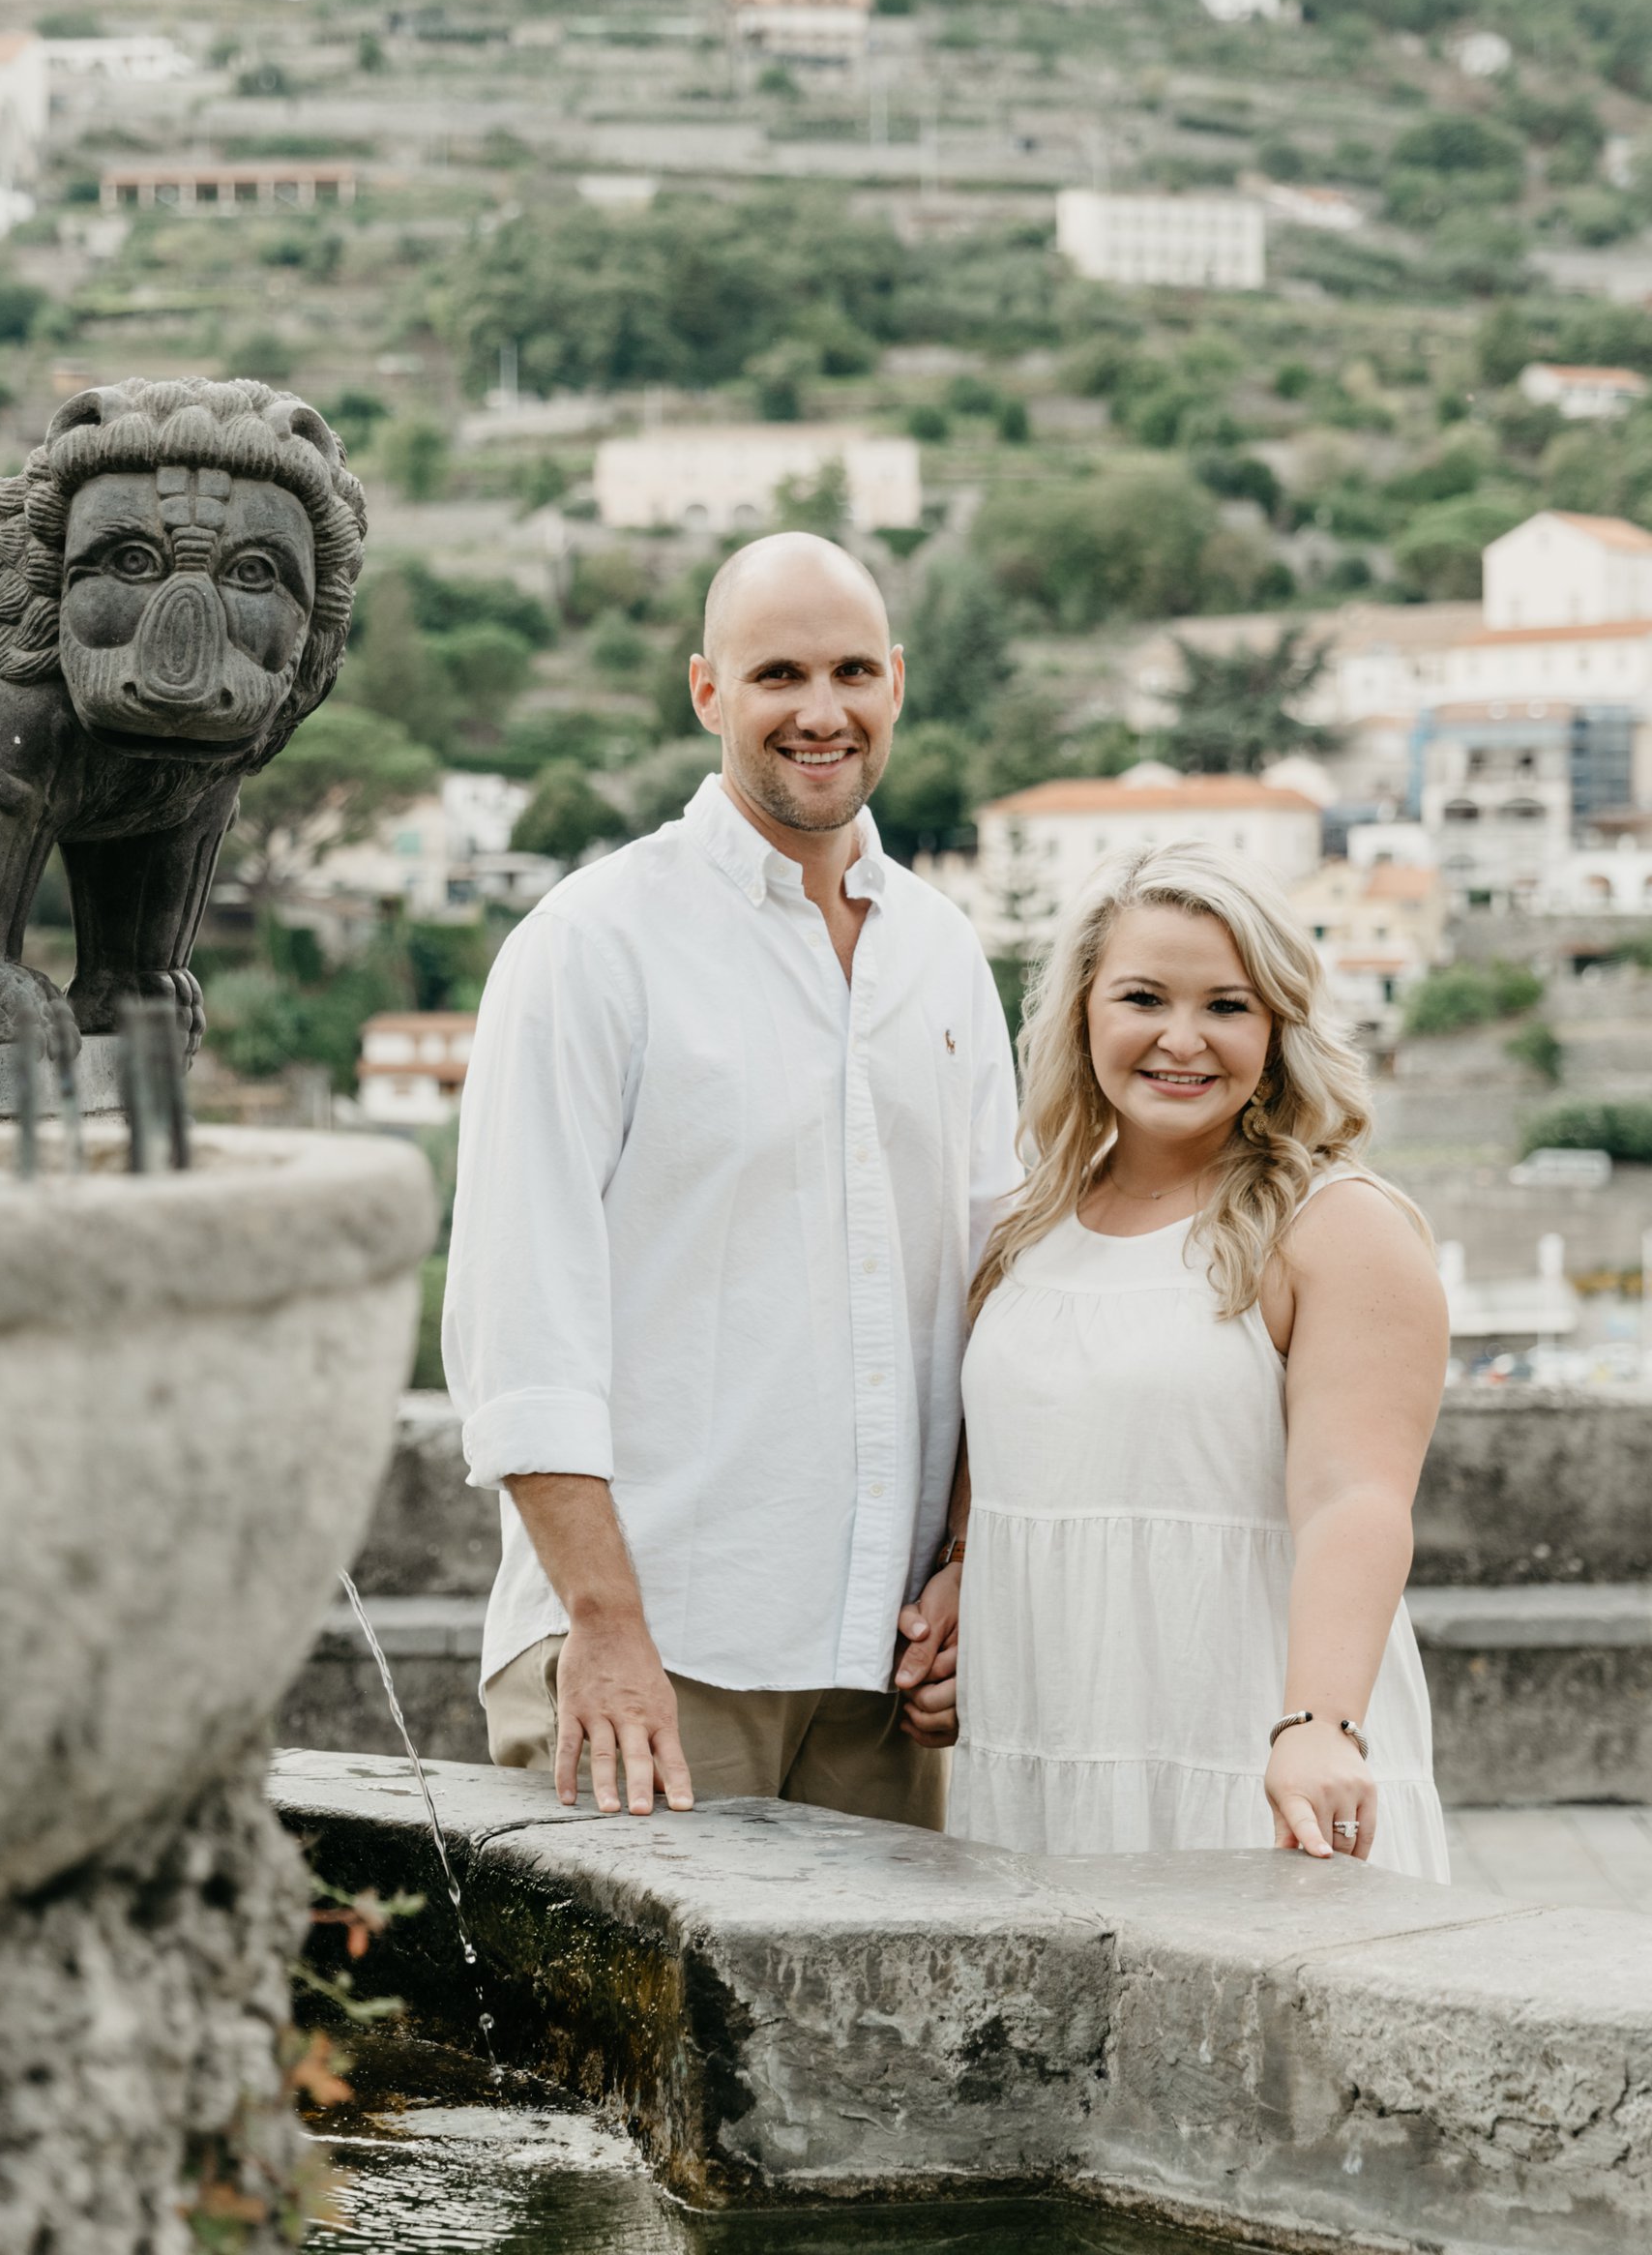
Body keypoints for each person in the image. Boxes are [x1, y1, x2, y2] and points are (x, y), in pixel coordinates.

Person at [442, 532, 1018, 1823]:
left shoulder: (944, 954)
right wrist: (602, 1622)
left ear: (899, 684)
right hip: (657, 1655)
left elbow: (998, 1288)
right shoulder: (592, 947)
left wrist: (973, 1562)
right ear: (709, 692)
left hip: (885, 1674)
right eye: (778, 675)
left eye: (853, 672)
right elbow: (516, 1327)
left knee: (885, 2037)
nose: (822, 712)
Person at [944, 842, 1451, 1880]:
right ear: (1084, 1012)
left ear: (1278, 1030)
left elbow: (1354, 1497)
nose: (1183, 1039)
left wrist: (1319, 1725)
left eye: (1227, 1005)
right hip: (1042, 1745)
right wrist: (957, 1588)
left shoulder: (1338, 1226)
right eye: (1143, 997)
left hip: (1249, 1751)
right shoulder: (1025, 1226)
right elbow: (1005, 1455)